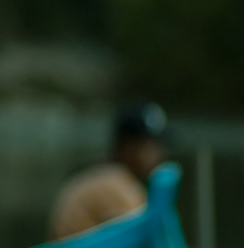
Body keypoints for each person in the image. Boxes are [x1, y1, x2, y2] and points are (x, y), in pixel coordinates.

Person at [48, 100, 169, 240]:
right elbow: (145, 238)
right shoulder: (115, 186)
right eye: (150, 146)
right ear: (126, 146)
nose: (158, 154)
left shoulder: (103, 177)